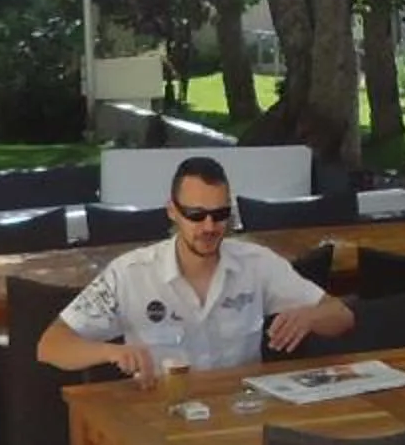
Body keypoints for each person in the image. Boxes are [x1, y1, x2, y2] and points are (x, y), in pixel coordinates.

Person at [37, 155, 352, 387]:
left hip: (240, 410)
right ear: (172, 211)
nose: (209, 227)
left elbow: (342, 316)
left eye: (220, 214)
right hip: (161, 416)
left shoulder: (256, 264)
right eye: (196, 215)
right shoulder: (130, 274)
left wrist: (310, 317)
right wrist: (109, 351)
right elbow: (51, 345)